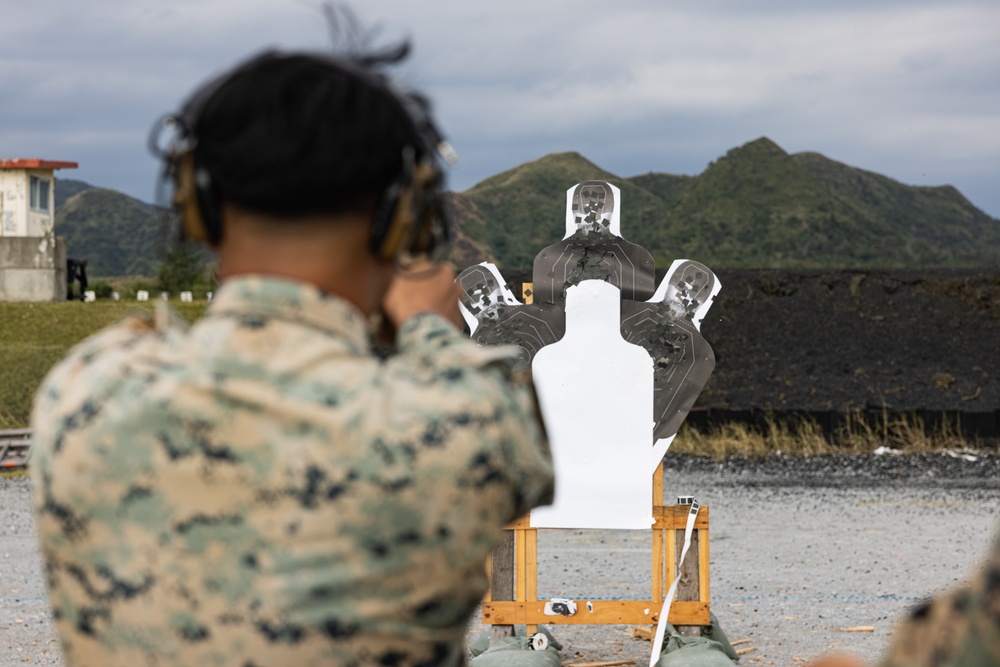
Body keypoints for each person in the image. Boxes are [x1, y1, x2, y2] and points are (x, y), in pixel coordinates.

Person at [30, 39, 554, 667]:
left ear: (197, 203)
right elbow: (520, 449)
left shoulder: (85, 392)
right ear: (404, 216)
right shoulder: (462, 421)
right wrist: (429, 329)